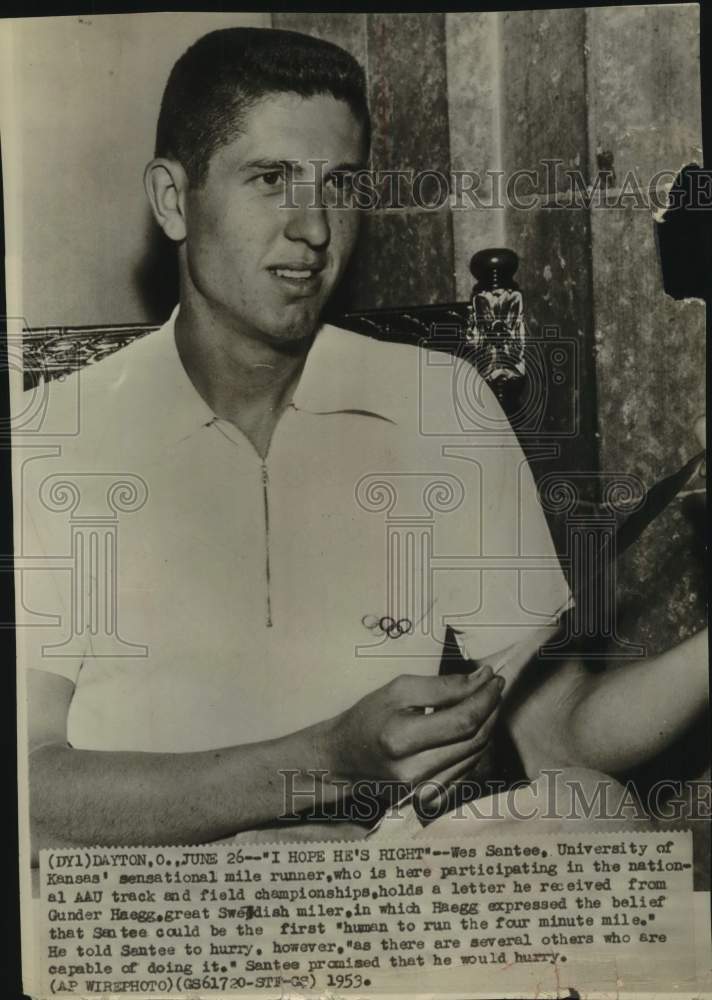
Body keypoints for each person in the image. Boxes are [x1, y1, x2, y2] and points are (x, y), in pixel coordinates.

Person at [19, 27, 707, 861]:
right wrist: (323, 762)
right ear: (173, 198)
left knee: (592, 813)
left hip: (372, 883)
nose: (312, 228)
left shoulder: (441, 402)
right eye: (270, 179)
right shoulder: (54, 436)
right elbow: (33, 793)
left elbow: (557, 735)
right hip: (155, 908)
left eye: (339, 184)